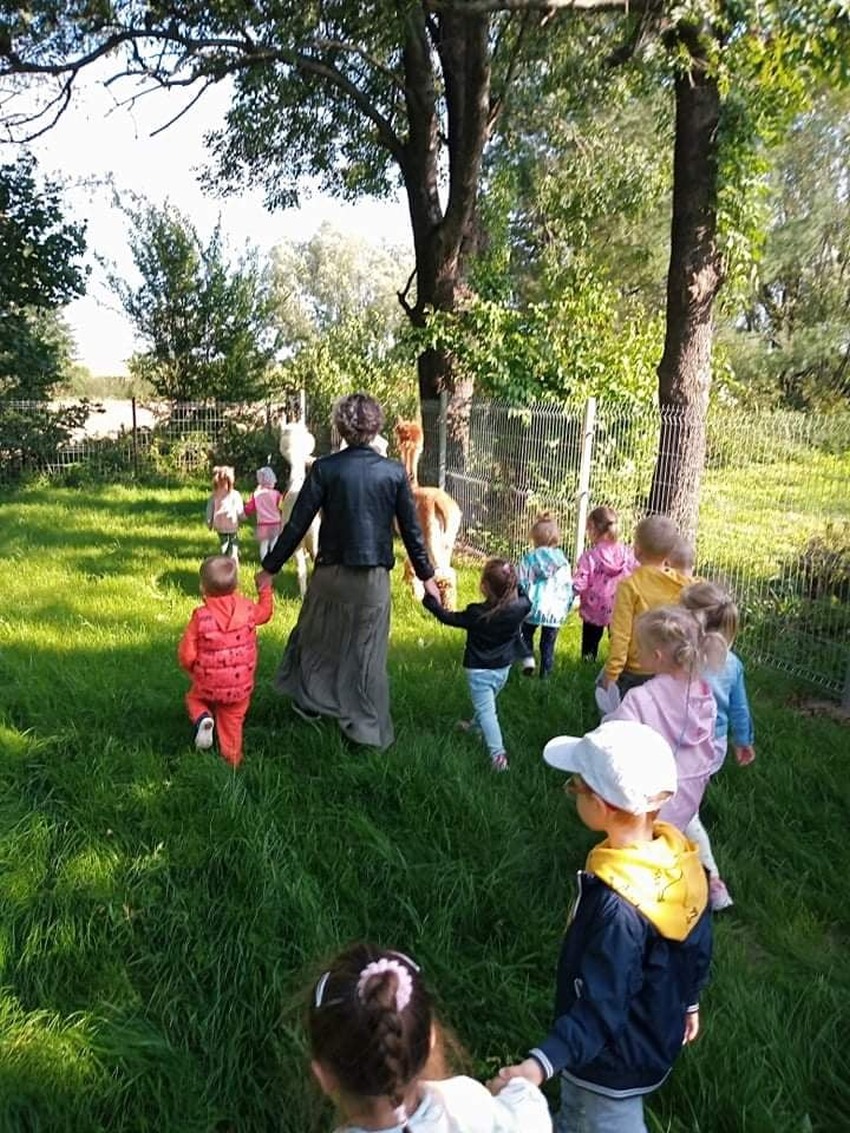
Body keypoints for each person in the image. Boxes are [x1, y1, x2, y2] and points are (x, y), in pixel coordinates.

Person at [492, 720, 712, 1133]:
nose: (571, 791)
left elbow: (600, 1006)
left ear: (602, 806)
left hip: (606, 1064)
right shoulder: (681, 861)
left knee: (596, 1120)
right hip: (652, 1033)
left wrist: (540, 1065)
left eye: (575, 786)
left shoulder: (619, 909)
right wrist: (690, 1001)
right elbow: (697, 945)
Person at [256, 393, 440, 750]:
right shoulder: (393, 472)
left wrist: (269, 568)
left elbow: (296, 524)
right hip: (372, 580)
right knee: (367, 654)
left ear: (340, 427)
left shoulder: (325, 469)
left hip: (329, 575)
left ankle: (311, 703)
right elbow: (411, 532)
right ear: (376, 427)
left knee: (314, 639)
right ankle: (367, 732)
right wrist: (427, 576)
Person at [308, 943, 552, 1133]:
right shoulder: (465, 1103)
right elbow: (531, 1121)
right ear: (432, 1038)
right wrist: (519, 1088)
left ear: (324, 1076)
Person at [605, 605, 726, 832]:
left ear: (656, 657)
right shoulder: (704, 695)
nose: (636, 653)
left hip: (647, 808)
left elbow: (615, 742)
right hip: (688, 801)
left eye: (639, 648)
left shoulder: (641, 698)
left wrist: (607, 719)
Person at [680, 581, 756, 911]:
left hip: (685, 745)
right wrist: (743, 740)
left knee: (683, 811)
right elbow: (739, 707)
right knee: (689, 799)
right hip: (715, 748)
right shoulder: (732, 663)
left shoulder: (686, 659)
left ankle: (711, 881)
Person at [422, 558, 531, 772]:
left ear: (484, 586)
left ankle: (498, 757)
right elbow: (524, 596)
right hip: (503, 669)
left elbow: (448, 618)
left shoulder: (476, 613)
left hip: (480, 671)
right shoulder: (521, 607)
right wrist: (515, 583)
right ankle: (474, 727)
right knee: (486, 704)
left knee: (488, 712)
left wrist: (431, 602)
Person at [177, 555, 273, 767]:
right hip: (239, 686)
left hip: (208, 682)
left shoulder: (201, 616)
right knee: (232, 719)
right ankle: (232, 760)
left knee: (195, 698)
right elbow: (265, 613)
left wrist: (191, 668)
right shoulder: (248, 609)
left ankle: (203, 718)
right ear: (236, 585)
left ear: (202, 588)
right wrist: (265, 589)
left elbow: (187, 653)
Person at [602, 515, 688, 697]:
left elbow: (621, 635)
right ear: (670, 553)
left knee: (624, 712)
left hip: (635, 670)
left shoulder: (629, 586)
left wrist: (612, 673)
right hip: (669, 667)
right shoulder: (682, 585)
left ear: (637, 550)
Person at [572, 505, 636, 662]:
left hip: (594, 608)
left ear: (593, 529)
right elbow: (638, 571)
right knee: (619, 642)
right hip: (620, 605)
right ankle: (619, 664)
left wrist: (569, 592)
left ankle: (587, 663)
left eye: (588, 529)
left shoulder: (590, 557)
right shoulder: (627, 554)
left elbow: (581, 581)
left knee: (590, 643)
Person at [516, 511, 573, 678]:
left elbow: (520, 581)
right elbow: (567, 585)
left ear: (534, 538)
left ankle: (528, 663)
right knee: (548, 643)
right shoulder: (562, 561)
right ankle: (546, 673)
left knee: (526, 634)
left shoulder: (529, 559)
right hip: (554, 610)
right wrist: (567, 604)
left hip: (532, 607)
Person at [242, 465, 284, 561]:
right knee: (274, 543)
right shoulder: (277, 494)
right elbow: (282, 507)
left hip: (263, 524)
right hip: (276, 523)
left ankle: (264, 561)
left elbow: (249, 508)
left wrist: (244, 513)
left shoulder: (256, 494)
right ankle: (274, 561)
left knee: (264, 544)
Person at [205, 465, 244, 562]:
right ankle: (233, 557)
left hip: (220, 525)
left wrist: (209, 523)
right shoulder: (235, 494)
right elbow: (239, 509)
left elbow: (209, 511)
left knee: (224, 542)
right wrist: (242, 517)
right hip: (232, 524)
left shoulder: (214, 496)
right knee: (233, 541)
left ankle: (225, 558)